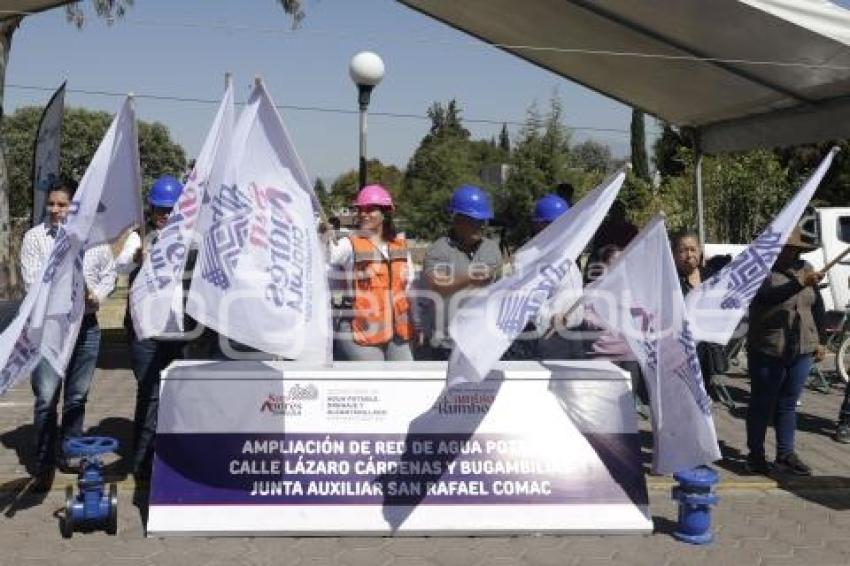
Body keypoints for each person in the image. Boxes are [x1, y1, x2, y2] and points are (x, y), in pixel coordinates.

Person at [19, 180, 116, 490]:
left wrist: (96, 295)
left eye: (62, 204)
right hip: (50, 328)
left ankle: (69, 452)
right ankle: (43, 463)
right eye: (51, 204)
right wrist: (70, 294)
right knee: (46, 398)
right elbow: (33, 283)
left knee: (76, 397)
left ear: (76, 207)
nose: (55, 209)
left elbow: (108, 275)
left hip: (85, 328)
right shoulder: (35, 238)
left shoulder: (95, 238)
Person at [114, 175, 186, 480]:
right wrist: (137, 257)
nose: (165, 215)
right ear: (151, 209)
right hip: (146, 332)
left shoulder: (190, 238)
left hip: (180, 331)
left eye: (171, 210)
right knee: (150, 393)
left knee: (179, 396)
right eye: (160, 209)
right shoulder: (139, 238)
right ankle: (143, 462)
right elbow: (119, 265)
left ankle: (175, 457)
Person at [745, 226, 827, 476]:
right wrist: (800, 283)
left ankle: (785, 454)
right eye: (784, 248)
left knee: (788, 403)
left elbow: (817, 306)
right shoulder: (760, 271)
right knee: (762, 403)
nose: (789, 253)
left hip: (802, 346)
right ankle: (755, 455)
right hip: (768, 347)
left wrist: (822, 340)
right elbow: (768, 297)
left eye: (792, 249)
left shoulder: (806, 268)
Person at [326, 184, 414, 361]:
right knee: (374, 374)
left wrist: (416, 323)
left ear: (385, 213)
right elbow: (324, 268)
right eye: (361, 210)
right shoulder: (348, 245)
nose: (364, 214)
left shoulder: (400, 247)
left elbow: (408, 288)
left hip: (397, 330)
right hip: (359, 331)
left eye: (371, 209)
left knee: (407, 373)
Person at [421, 185, 502, 360]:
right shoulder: (439, 250)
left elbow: (500, 289)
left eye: (483, 221)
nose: (480, 226)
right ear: (457, 219)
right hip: (446, 345)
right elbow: (436, 285)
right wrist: (471, 278)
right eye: (474, 221)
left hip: (482, 343)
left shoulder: (492, 249)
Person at [671, 231, 730, 394]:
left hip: (708, 354)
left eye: (693, 249)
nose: (689, 255)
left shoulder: (713, 277)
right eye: (683, 250)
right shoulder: (669, 280)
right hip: (679, 356)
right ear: (674, 254)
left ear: (700, 251)